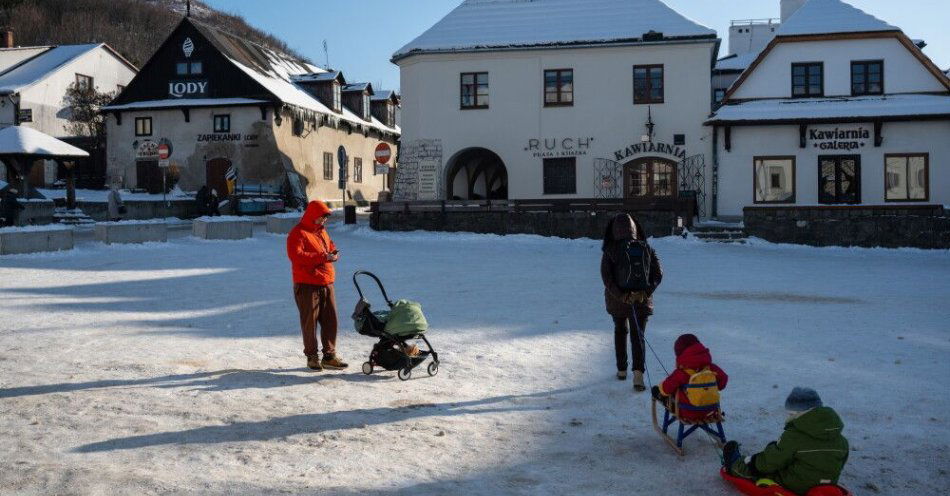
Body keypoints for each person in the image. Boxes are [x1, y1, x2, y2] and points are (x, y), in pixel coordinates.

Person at [723, 388, 849, 496]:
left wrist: (753, 462)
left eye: (790, 413)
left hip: (796, 486)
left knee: (756, 471)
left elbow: (769, 462)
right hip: (825, 488)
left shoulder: (795, 435)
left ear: (798, 413)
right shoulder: (841, 440)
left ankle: (734, 464)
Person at [600, 213, 663, 391]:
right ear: (635, 228)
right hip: (641, 301)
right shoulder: (646, 247)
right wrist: (645, 292)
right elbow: (658, 274)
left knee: (620, 331)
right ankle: (638, 375)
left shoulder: (610, 250)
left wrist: (622, 296)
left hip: (618, 302)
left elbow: (606, 278)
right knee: (638, 336)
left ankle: (621, 369)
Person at [287, 201, 348, 371]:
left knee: (331, 321)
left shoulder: (322, 231)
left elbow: (331, 246)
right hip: (307, 284)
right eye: (322, 217)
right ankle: (312, 357)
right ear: (312, 215)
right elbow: (296, 256)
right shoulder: (297, 233)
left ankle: (329, 356)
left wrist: (334, 254)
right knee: (310, 323)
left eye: (325, 218)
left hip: (326, 281)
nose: (324, 220)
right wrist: (323, 257)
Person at [651, 334, 728, 421]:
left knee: (661, 392)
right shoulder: (711, 368)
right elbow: (723, 380)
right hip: (710, 410)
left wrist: (658, 390)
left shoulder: (681, 372)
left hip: (688, 412)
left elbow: (665, 389)